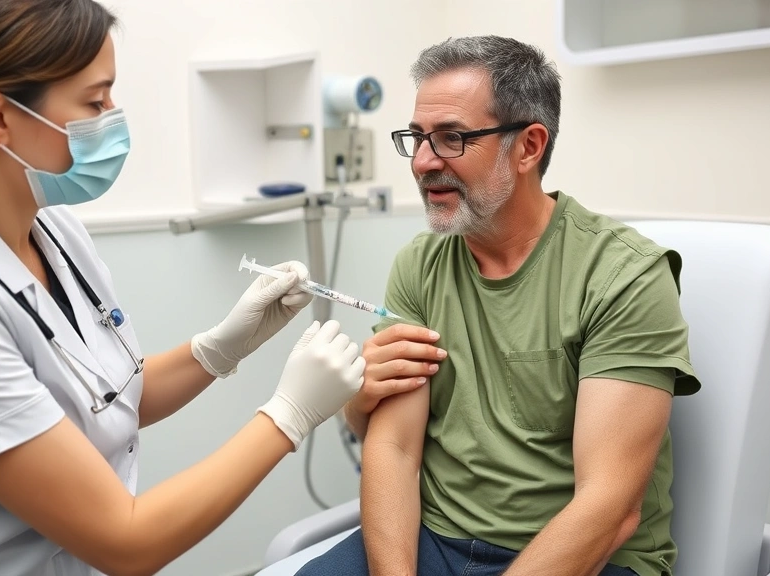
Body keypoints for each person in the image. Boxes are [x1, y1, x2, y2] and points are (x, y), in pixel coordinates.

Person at [0, 1, 366, 575]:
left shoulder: (53, 230)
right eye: (95, 102)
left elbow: (104, 403)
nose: (114, 119)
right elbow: (125, 541)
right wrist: (287, 416)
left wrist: (220, 348)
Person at [295, 36, 702, 576]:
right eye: (417, 138)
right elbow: (393, 448)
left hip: (590, 556)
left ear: (528, 146)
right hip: (436, 539)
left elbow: (610, 506)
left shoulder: (622, 276)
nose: (422, 162)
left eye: (451, 138)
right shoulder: (420, 265)